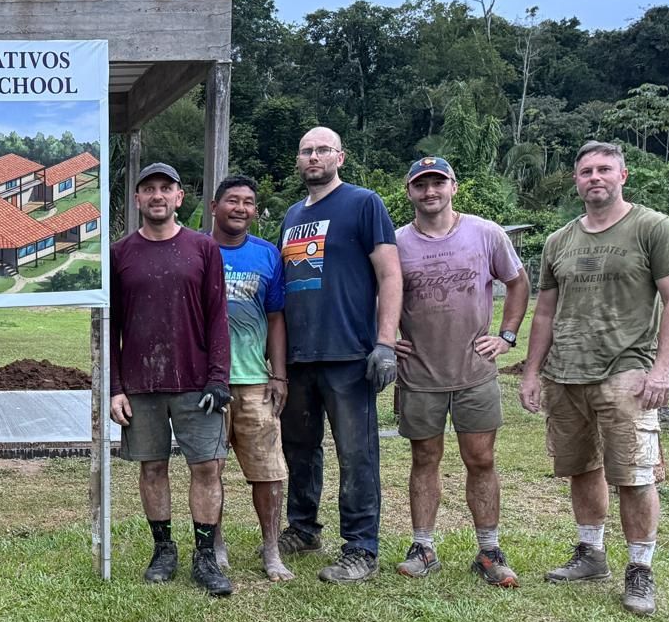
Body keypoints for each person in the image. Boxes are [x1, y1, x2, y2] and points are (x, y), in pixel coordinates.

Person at [520, 141, 669, 616]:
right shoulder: (559, 240)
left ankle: (640, 568)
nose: (594, 177)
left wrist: (663, 368)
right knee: (581, 467)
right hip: (565, 372)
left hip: (627, 371)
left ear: (623, 176)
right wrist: (532, 372)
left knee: (634, 475)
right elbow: (545, 311)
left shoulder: (653, 227)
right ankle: (591, 553)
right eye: (585, 172)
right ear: (576, 181)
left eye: (604, 169)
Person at [392, 157, 531, 587]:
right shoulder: (396, 242)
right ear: (409, 191)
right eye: (421, 185)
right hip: (420, 373)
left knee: (481, 458)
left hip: (474, 370)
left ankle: (489, 551)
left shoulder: (485, 233)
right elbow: (376, 293)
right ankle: (423, 547)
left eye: (438, 183)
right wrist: (384, 337)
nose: (430, 191)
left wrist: (506, 336)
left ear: (454, 186)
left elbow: (518, 282)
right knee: (424, 458)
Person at [277, 127, 403, 582]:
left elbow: (390, 275)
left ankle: (361, 548)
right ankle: (303, 528)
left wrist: (385, 343)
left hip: (348, 353)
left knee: (356, 453)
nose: (314, 157)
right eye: (306, 151)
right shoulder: (292, 215)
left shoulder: (364, 203)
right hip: (298, 356)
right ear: (298, 160)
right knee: (299, 449)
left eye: (323, 150)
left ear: (340, 157)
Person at [109, 162, 234, 596]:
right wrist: (115, 388)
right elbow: (110, 326)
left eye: (166, 188)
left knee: (207, 467)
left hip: (196, 382)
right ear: (138, 199)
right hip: (140, 383)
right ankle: (163, 549)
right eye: (149, 189)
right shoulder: (120, 254)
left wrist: (219, 379)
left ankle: (205, 556)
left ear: (180, 197)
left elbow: (218, 317)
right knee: (152, 467)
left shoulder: (203, 248)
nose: (157, 195)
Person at [205, 174, 292, 582]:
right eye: (232, 200)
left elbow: (276, 318)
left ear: (255, 211)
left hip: (255, 381)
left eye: (248, 202)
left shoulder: (267, 255)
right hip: (207, 384)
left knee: (269, 471)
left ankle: (271, 549)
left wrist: (280, 375)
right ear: (214, 207)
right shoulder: (197, 250)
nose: (240, 208)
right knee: (209, 468)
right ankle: (215, 544)